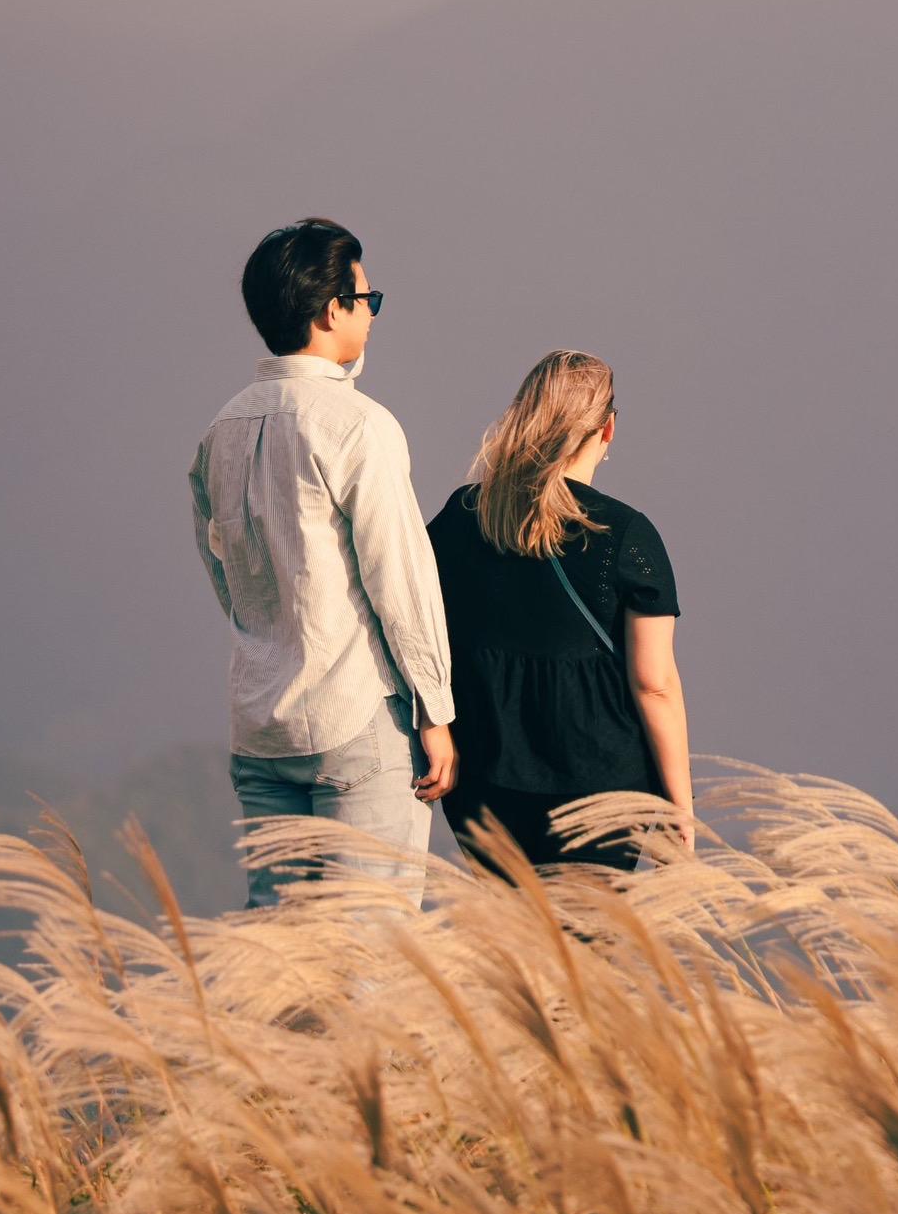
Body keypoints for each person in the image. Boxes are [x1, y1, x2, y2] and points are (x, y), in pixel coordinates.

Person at [190, 219, 457, 909]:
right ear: (331, 307)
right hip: (354, 719)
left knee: (284, 974)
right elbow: (398, 576)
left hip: (260, 723)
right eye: (366, 300)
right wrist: (434, 711)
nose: (370, 316)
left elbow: (226, 575)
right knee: (371, 964)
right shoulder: (358, 424)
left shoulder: (220, 432)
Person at [424, 350, 694, 874]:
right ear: (608, 429)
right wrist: (677, 805)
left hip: (484, 780)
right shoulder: (626, 535)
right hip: (599, 793)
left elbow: (420, 628)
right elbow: (654, 683)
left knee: (518, 946)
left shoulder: (461, 516)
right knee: (583, 951)